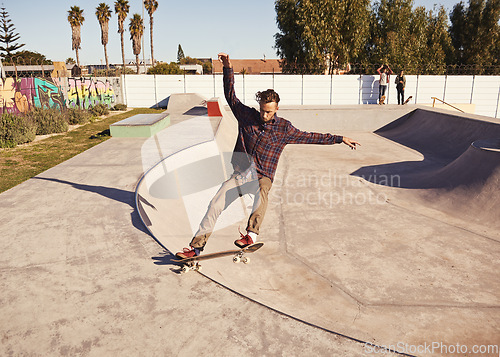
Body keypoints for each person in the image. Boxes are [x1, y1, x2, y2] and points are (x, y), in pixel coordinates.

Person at [175, 53, 360, 259]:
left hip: (262, 177)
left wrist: (339, 138)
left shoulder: (284, 129)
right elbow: (230, 95)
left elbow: (310, 137)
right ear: (259, 107)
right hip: (241, 175)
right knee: (216, 202)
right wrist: (228, 67)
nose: (264, 116)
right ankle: (197, 247)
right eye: (263, 110)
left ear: (276, 109)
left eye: (269, 112)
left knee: (263, 190)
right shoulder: (247, 116)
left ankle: (251, 234)